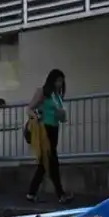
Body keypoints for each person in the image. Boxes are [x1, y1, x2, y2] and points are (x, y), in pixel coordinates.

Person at [26, 69, 73, 204]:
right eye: (57, 81)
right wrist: (36, 116)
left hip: (54, 128)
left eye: (61, 82)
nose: (59, 84)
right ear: (52, 80)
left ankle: (32, 192)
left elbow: (61, 117)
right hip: (44, 128)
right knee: (52, 160)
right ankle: (60, 194)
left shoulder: (57, 95)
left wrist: (62, 114)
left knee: (45, 162)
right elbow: (29, 108)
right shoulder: (43, 92)